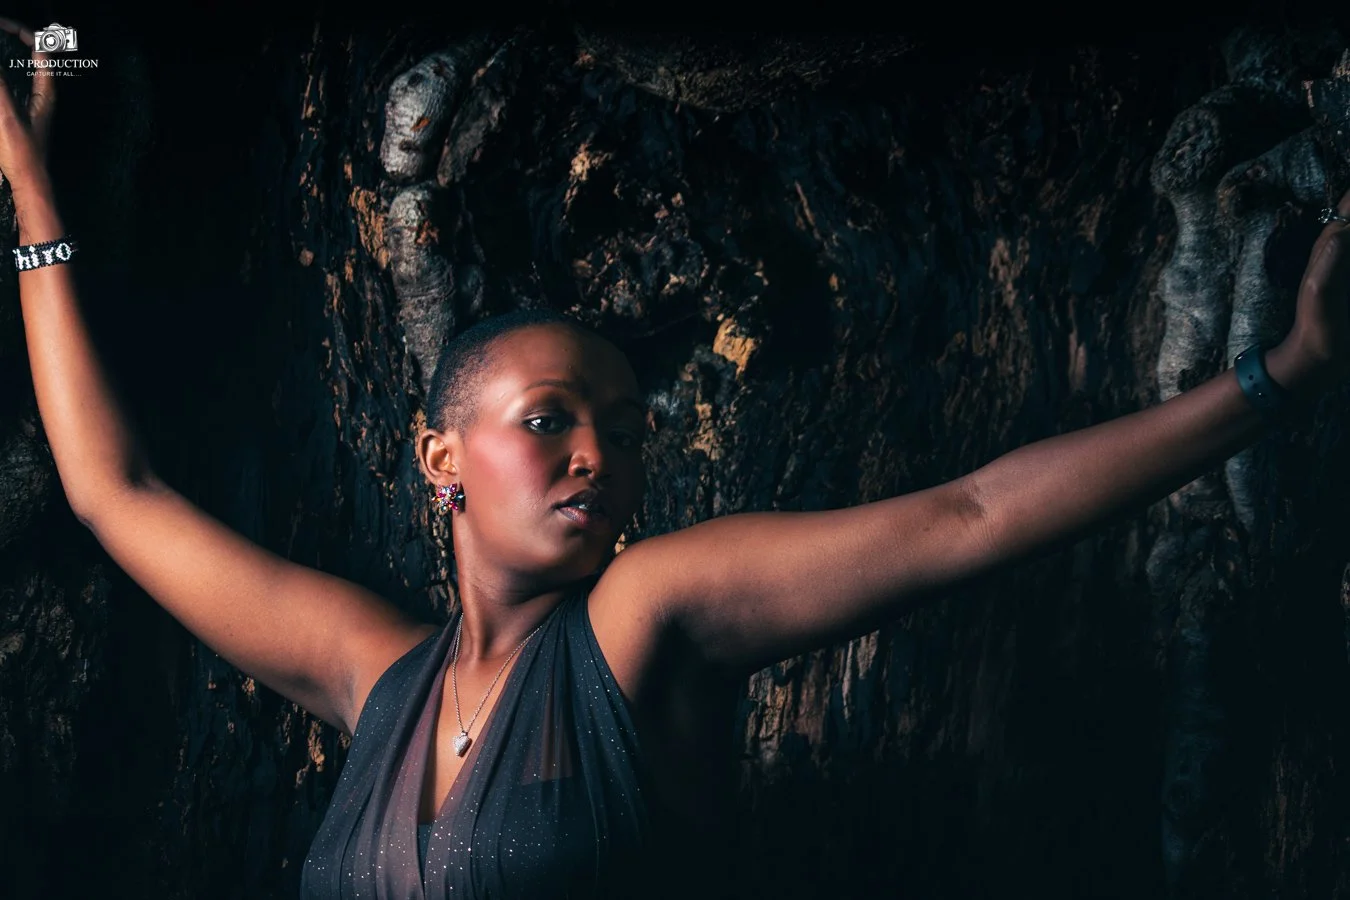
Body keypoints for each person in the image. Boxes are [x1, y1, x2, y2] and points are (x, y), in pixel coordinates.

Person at [5, 16, 1350, 900]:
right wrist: (36, 203)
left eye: (622, 431)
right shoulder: (374, 676)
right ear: (438, 458)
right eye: (547, 421)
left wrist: (1269, 375)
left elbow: (967, 514)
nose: (597, 455)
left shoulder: (644, 624)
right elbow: (114, 492)